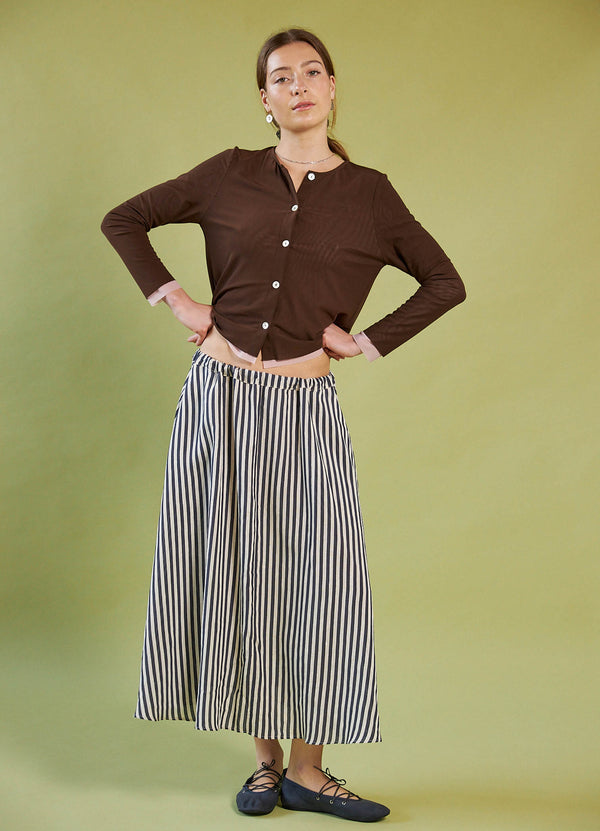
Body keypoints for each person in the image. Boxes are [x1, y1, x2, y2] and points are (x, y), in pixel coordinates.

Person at [101, 27, 466, 823]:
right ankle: (266, 766)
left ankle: (311, 768)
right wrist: (178, 299)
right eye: (280, 77)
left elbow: (445, 281)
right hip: (220, 402)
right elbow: (125, 218)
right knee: (236, 574)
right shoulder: (226, 175)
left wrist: (364, 339)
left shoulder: (372, 194)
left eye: (312, 72)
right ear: (264, 101)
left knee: (319, 581)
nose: (297, 85)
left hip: (306, 411)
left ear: (332, 89)